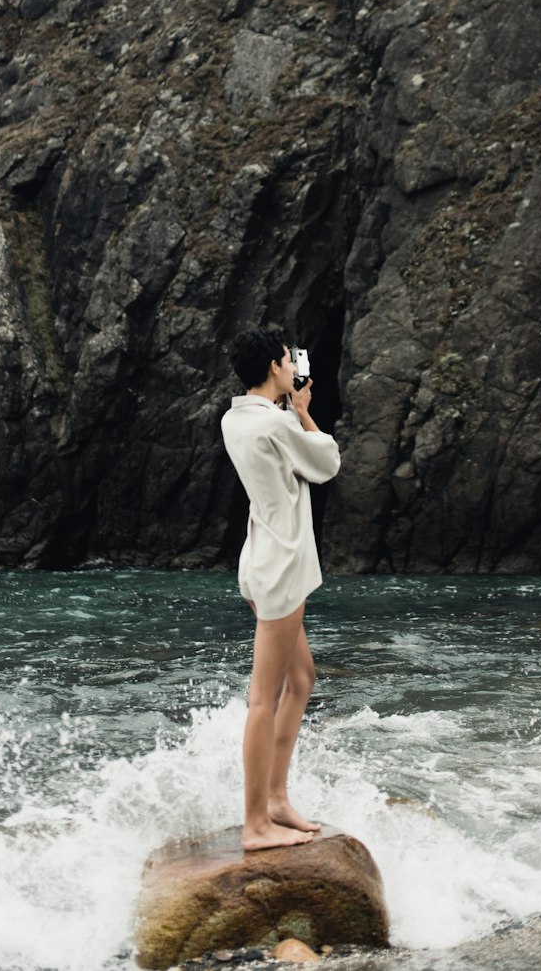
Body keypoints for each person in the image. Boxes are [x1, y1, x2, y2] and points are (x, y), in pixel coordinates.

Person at [221, 328, 341, 850]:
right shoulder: (276, 424)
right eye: (289, 362)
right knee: (263, 699)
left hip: (259, 560)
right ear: (275, 366)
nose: (294, 367)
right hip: (282, 566)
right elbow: (326, 463)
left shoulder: (236, 418)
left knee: (302, 679)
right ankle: (255, 824)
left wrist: (290, 408)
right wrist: (304, 410)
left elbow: (285, 455)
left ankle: (275, 798)